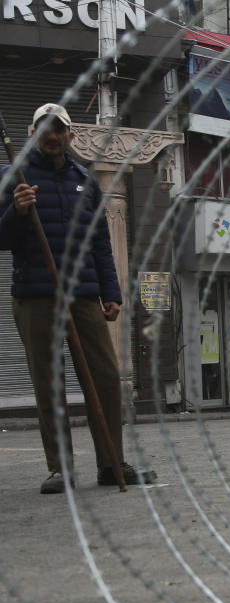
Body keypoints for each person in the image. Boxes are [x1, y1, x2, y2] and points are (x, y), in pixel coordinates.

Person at [0, 103, 156, 493]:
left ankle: (111, 465)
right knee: (49, 383)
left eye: (59, 129)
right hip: (36, 296)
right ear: (32, 133)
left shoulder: (85, 182)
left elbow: (101, 244)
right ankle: (61, 470)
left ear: (71, 136)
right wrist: (16, 212)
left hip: (83, 295)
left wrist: (111, 291)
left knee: (105, 378)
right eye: (44, 128)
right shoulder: (12, 177)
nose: (51, 136)